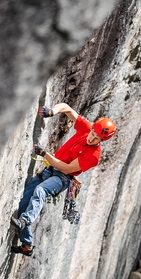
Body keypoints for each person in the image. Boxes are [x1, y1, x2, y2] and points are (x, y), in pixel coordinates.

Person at [10, 103, 116, 256]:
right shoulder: (86, 128)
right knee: (24, 203)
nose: (92, 138)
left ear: (102, 140)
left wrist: (44, 154)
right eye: (93, 133)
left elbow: (66, 169)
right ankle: (27, 246)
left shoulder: (93, 156)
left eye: (97, 138)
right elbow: (66, 108)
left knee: (41, 190)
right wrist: (51, 111)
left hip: (62, 178)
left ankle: (24, 222)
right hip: (49, 170)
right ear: (92, 127)